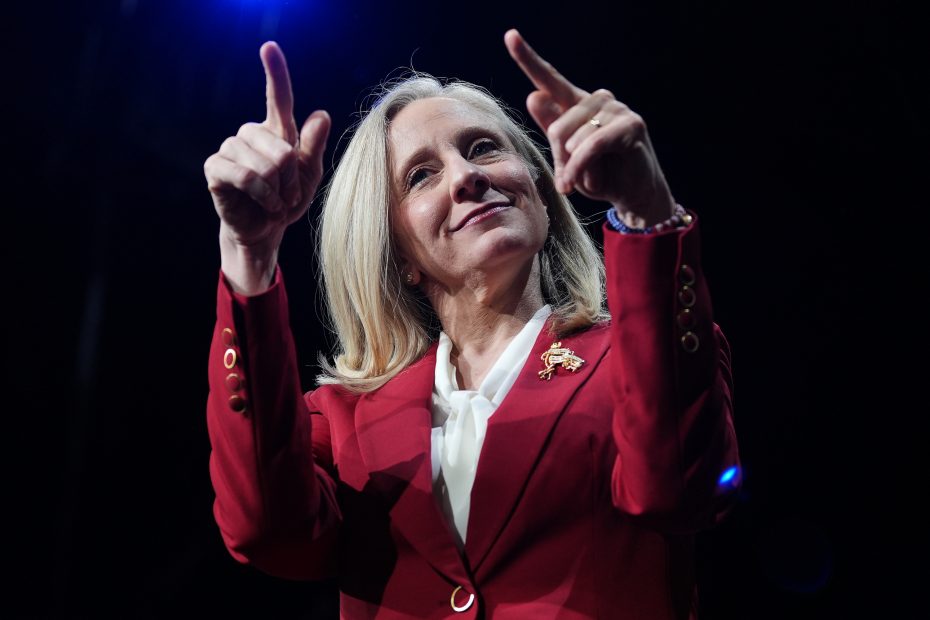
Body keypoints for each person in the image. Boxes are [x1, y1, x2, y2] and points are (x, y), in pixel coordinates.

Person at [204, 29, 740, 619]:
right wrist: (248, 251)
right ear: (397, 254)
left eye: (483, 148)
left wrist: (646, 209)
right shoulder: (341, 420)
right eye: (420, 175)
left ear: (541, 190)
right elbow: (267, 532)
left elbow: (681, 491)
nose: (466, 176)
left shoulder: (634, 363)